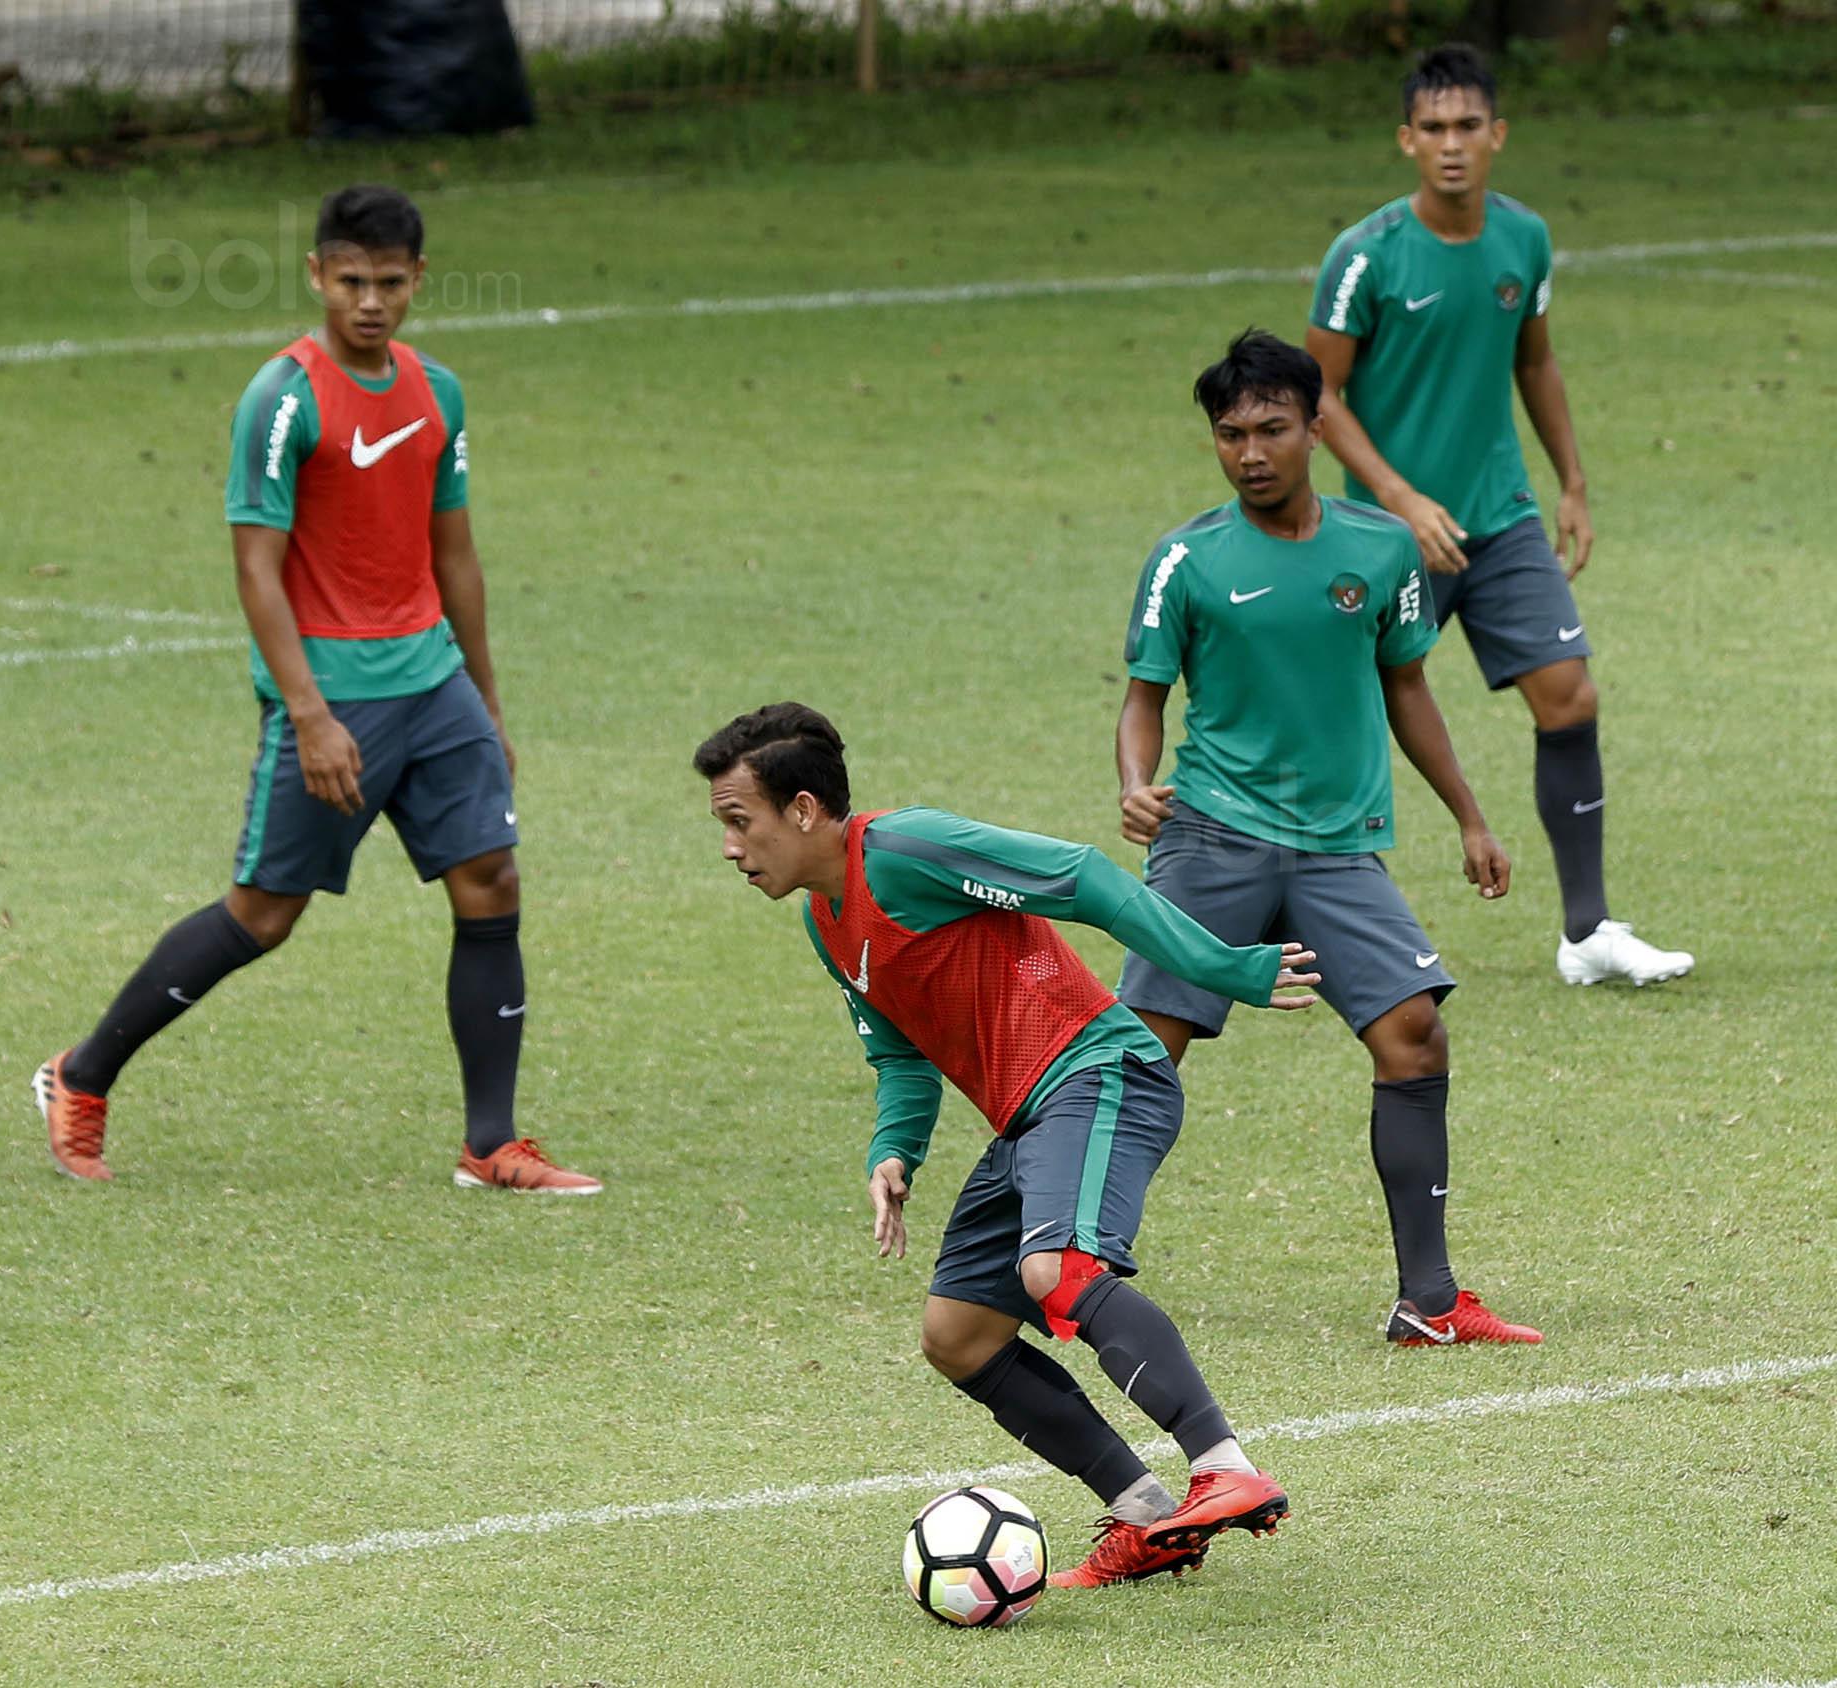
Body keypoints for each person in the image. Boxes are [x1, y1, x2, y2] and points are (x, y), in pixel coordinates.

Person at [35, 183, 596, 1194]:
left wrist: (488, 703)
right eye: (350, 282)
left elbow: (455, 555)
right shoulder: (282, 397)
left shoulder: (438, 393)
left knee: (491, 883)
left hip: (434, 683)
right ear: (316, 276)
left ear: (419, 280)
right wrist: (308, 714)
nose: (369, 301)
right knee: (262, 911)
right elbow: (257, 569)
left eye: (389, 283)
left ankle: (490, 1142)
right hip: (333, 694)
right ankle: (80, 1075)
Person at [699, 702, 1306, 1585]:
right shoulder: (825, 920)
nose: (729, 846)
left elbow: (1082, 877)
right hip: (1026, 1117)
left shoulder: (906, 850)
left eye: (737, 820)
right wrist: (893, 1150)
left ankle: (1227, 1469)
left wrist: (1223, 967)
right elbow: (901, 1053)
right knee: (957, 1334)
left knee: (1058, 1269)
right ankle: (1147, 1515)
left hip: (1099, 1072)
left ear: (800, 809)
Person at [1115, 328, 1540, 1348]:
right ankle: (1055, 1261)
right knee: (1139, 1054)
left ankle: (1428, 1301)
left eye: (1271, 428)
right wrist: (1135, 781)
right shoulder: (1186, 558)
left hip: (1339, 846)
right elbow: (1143, 697)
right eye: (1229, 434)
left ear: (1316, 427)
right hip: (1212, 835)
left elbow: (1409, 687)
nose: (1251, 451)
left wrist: (1470, 815)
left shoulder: (1382, 548)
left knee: (1413, 1037)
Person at [1305, 42, 1691, 989]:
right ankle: (1293, 916)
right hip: (1397, 537)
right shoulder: (1365, 257)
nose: (1451, 144)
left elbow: (1535, 362)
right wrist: (1397, 500)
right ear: (1406, 140)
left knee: (1570, 696)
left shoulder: (1524, 239)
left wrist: (1572, 481)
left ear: (1497, 135)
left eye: (1467, 126)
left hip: (1503, 517)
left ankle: (1588, 931)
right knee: (1335, 719)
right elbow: (1315, 393)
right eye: (1432, 128)